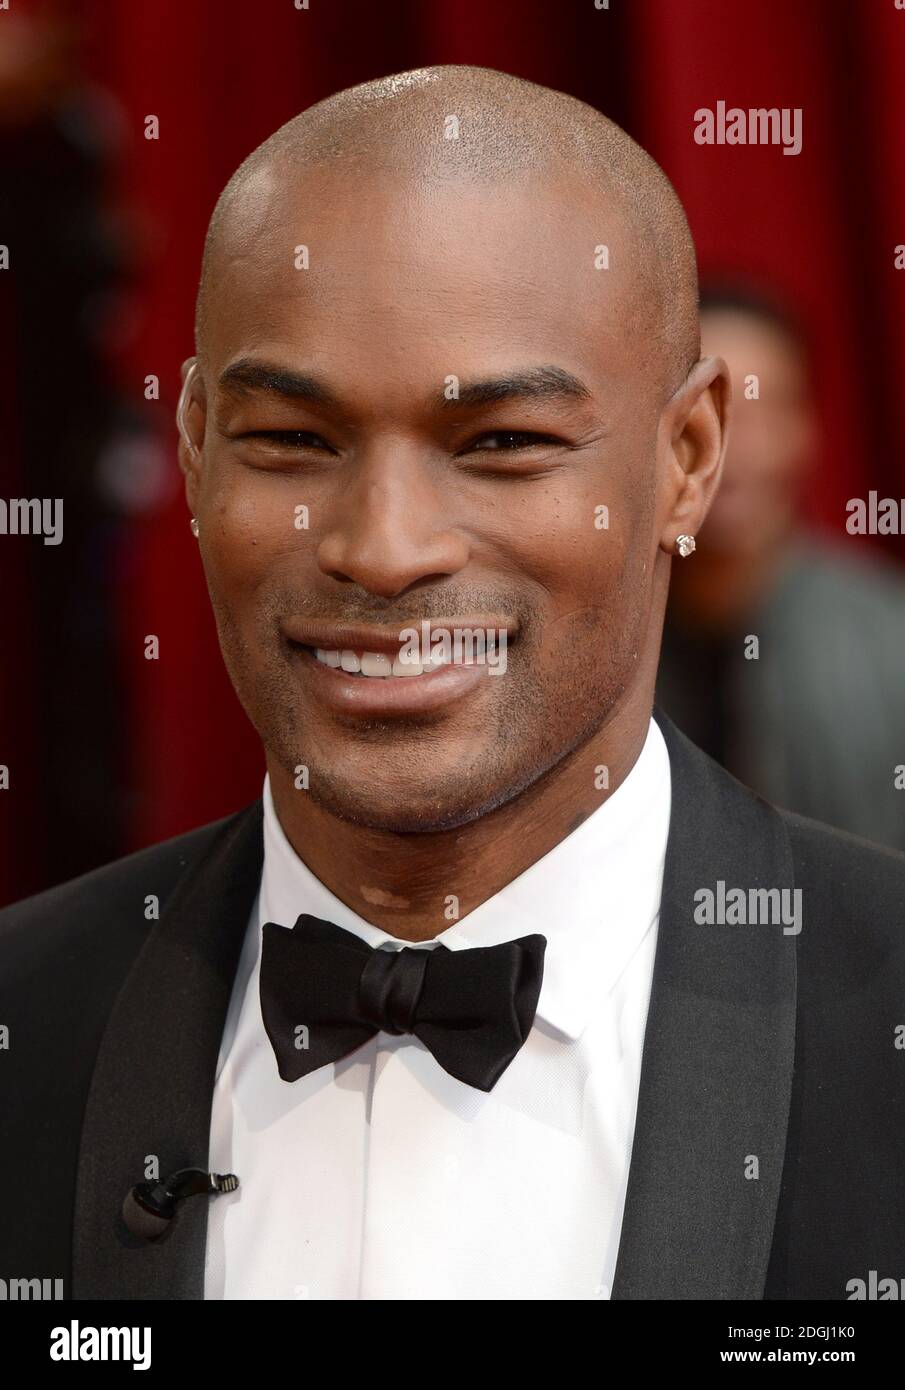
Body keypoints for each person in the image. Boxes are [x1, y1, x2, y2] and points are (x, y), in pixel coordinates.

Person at [1, 64, 903, 1303]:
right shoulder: (25, 1023)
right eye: (292, 441)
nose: (381, 547)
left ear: (686, 459)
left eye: (502, 446)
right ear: (197, 450)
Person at [658, 284, 905, 850]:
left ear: (808, 429)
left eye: (761, 410)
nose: (732, 452)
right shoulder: (599, 647)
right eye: (698, 418)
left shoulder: (891, 644)